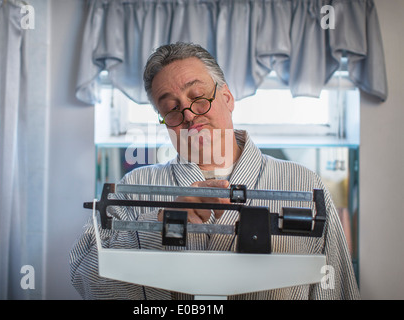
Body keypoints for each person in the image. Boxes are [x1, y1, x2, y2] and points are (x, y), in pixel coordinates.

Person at [70, 42, 360, 300]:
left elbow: (337, 289)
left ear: (228, 98)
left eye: (198, 96)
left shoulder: (302, 184)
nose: (188, 114)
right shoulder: (135, 185)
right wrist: (160, 224)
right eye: (171, 108)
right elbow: (84, 276)